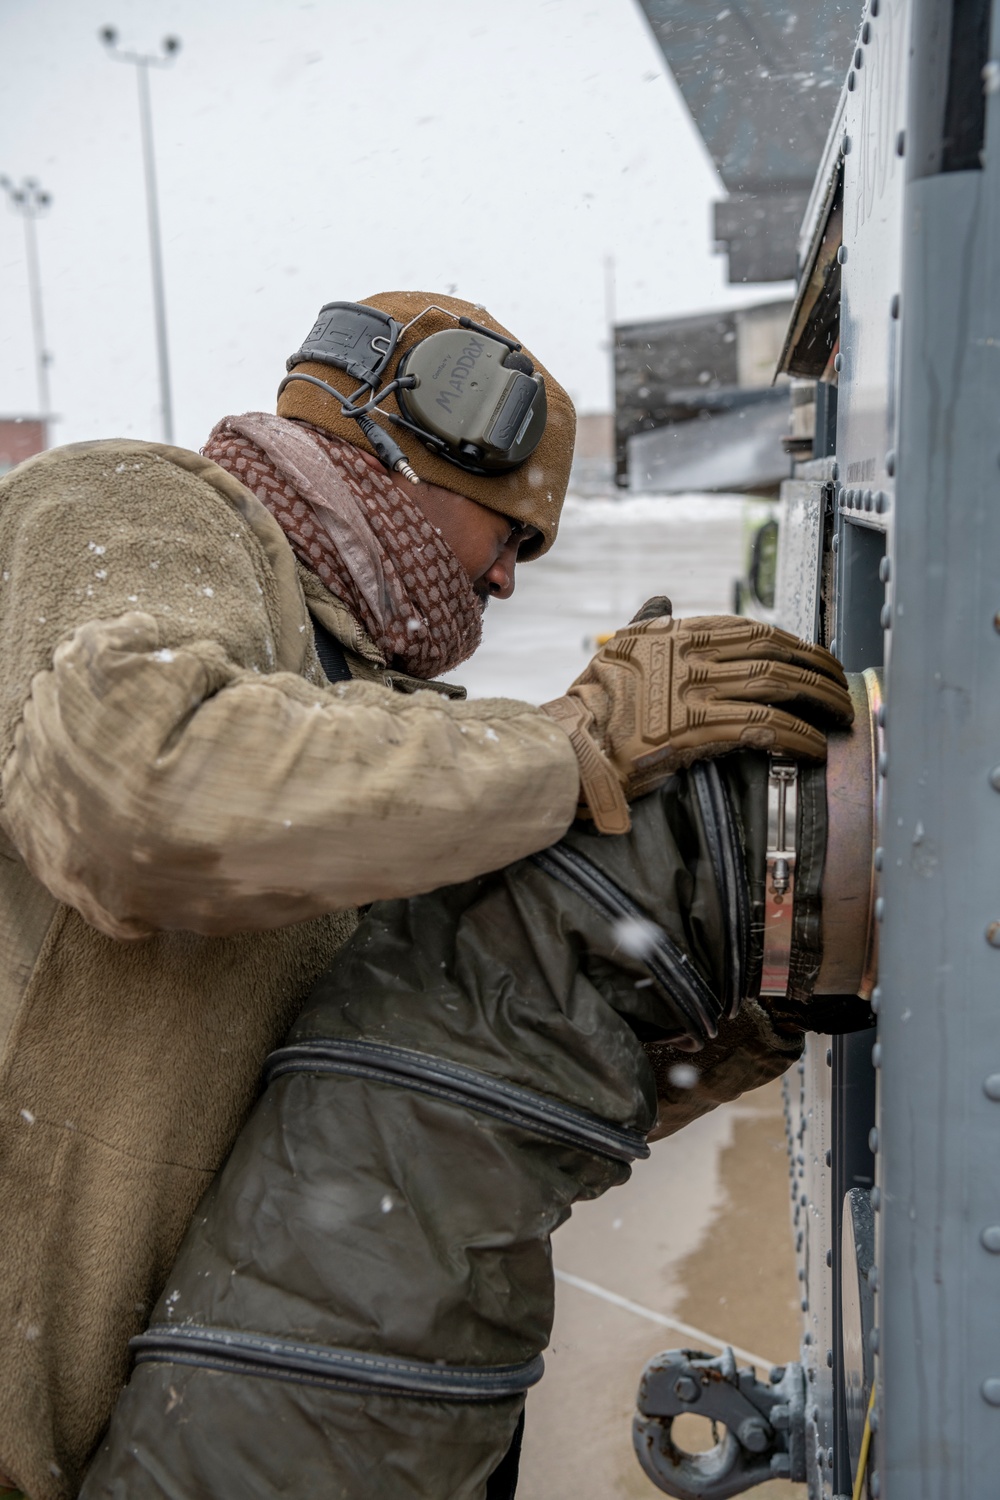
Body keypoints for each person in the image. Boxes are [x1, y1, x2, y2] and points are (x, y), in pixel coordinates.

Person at [0, 291, 850, 1500]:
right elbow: (132, 796)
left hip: (195, 1431)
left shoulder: (384, 748)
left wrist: (688, 1027)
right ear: (405, 440)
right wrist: (572, 744)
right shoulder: (133, 509)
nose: (506, 579)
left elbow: (418, 1082)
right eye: (508, 528)